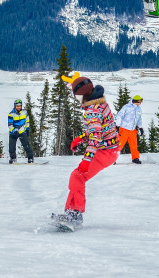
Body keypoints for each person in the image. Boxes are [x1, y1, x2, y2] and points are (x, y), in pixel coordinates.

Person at [55, 72, 119, 227]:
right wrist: (80, 138)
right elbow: (98, 129)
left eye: (77, 97)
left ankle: (75, 215)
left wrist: (86, 160)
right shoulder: (100, 103)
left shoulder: (92, 111)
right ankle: (72, 212)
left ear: (83, 95)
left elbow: (96, 137)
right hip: (111, 149)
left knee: (77, 177)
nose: (77, 101)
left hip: (106, 151)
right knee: (76, 177)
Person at [116, 95, 145, 164]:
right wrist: (117, 125)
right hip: (124, 129)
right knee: (119, 145)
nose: (141, 102)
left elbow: (139, 119)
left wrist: (140, 127)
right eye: (140, 101)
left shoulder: (139, 109)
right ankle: (112, 159)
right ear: (136, 101)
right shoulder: (126, 107)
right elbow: (120, 116)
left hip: (132, 130)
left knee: (134, 145)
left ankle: (135, 158)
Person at [7, 99, 34, 164]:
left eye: (20, 106)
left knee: (26, 145)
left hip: (22, 131)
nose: (18, 107)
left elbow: (27, 121)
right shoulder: (11, 114)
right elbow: (10, 125)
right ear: (15, 106)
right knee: (11, 147)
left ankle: (30, 158)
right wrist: (14, 130)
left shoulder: (24, 112)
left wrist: (27, 129)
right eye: (17, 106)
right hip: (13, 132)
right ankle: (13, 158)